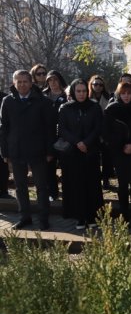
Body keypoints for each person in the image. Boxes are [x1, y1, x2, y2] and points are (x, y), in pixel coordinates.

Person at [0, 70, 55, 230]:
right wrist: (4, 152)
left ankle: (43, 218)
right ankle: (25, 217)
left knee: (41, 187)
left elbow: (49, 129)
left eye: (25, 81)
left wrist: (50, 151)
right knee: (20, 187)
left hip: (38, 151)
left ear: (31, 83)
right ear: (14, 83)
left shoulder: (42, 102)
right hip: (16, 151)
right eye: (19, 82)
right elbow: (3, 128)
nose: (22, 84)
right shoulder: (8, 101)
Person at [57, 78, 105, 229]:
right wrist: (77, 142)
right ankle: (79, 217)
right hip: (72, 154)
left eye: (84, 91)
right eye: (78, 91)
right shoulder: (65, 108)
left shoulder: (95, 107)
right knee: (75, 186)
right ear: (73, 91)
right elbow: (62, 130)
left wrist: (86, 143)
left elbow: (98, 128)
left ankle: (92, 217)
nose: (81, 94)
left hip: (90, 153)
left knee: (92, 186)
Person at [104, 81, 131, 228]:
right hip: (119, 152)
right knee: (122, 185)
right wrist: (122, 146)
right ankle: (124, 216)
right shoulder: (112, 109)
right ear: (119, 94)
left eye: (129, 93)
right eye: (123, 93)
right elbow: (107, 134)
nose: (126, 96)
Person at [43, 70, 68, 202]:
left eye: (55, 79)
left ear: (60, 80)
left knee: (66, 166)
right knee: (49, 167)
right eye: (50, 80)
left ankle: (68, 192)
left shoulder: (67, 95)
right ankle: (53, 192)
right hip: (48, 137)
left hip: (63, 136)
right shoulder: (43, 96)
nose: (53, 82)